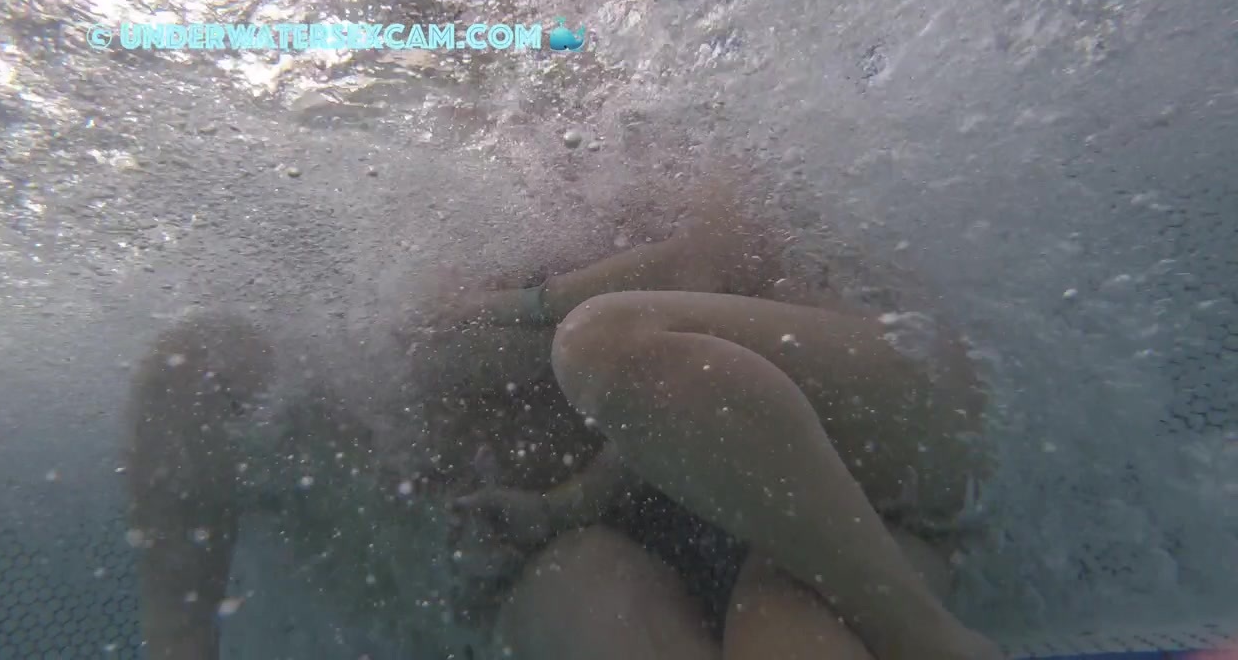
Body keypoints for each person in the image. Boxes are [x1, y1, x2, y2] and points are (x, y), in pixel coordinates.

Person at [126, 196, 1003, 659]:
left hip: (860, 435)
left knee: (609, 342)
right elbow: (667, 412)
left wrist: (502, 309)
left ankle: (928, 640)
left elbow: (705, 265)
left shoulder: (629, 93)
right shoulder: (394, 213)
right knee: (193, 360)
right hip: (702, 503)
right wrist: (569, 502)